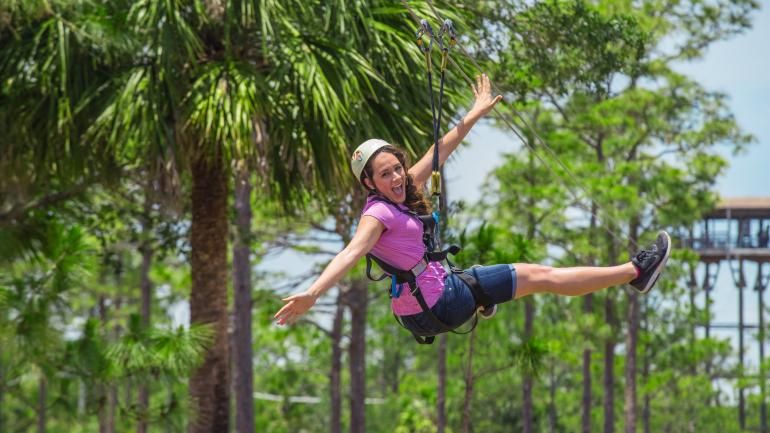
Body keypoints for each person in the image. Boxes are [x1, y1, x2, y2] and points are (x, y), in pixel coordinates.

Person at [274, 74, 671, 336]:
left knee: (483, 276)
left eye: (397, 168)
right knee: (539, 275)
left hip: (423, 306)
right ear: (369, 183)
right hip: (437, 304)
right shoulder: (377, 214)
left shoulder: (399, 193)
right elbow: (350, 253)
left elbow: (438, 150)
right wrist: (313, 292)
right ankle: (636, 271)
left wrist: (475, 113)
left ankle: (480, 297)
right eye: (385, 175)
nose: (397, 178)